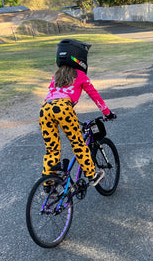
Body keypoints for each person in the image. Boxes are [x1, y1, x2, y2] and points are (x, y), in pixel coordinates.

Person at [39, 39, 116, 187]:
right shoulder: (80, 75)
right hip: (64, 108)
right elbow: (95, 96)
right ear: (80, 58)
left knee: (52, 149)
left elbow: (53, 95)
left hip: (45, 109)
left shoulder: (56, 76)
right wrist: (107, 113)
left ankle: (48, 186)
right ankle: (92, 175)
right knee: (78, 143)